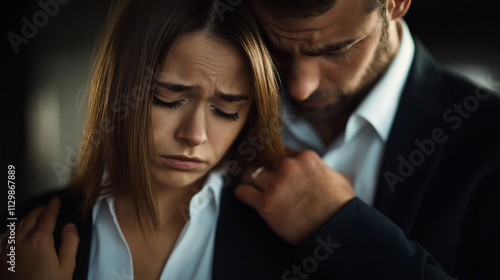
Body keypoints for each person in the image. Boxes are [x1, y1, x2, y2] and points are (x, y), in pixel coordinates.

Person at [0, 0, 286, 279]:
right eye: (167, 100)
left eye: (226, 110)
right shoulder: (14, 241)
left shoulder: (282, 239)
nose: (194, 135)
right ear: (117, 90)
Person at [218, 0, 500, 279]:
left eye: (337, 50)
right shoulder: (215, 105)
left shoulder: (489, 139)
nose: (301, 88)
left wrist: (336, 224)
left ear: (396, 5)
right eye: (275, 44)